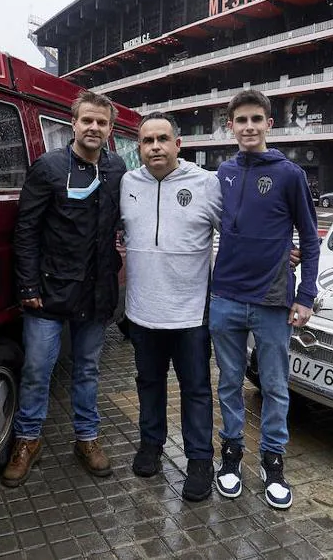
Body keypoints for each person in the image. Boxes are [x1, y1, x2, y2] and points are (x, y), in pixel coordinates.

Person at [1, 90, 127, 487]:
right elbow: (26, 230)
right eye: (87, 120)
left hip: (96, 291)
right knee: (38, 370)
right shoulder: (49, 167)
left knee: (88, 369)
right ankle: (28, 441)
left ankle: (86, 439)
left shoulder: (118, 169)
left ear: (109, 129)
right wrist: (27, 284)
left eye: (101, 122)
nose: (94, 127)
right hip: (48, 293)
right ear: (73, 124)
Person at [209, 89, 320, 510]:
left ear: (269, 124)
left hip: (273, 300)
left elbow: (310, 241)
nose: (249, 127)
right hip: (226, 297)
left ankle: (273, 462)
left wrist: (306, 295)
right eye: (241, 120)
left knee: (275, 386)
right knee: (229, 384)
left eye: (257, 119)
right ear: (230, 126)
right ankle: (232, 457)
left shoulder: (290, 174)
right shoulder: (223, 173)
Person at [120, 112, 221, 501]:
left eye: (163, 139)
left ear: (179, 144)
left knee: (195, 389)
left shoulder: (205, 183)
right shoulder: (128, 182)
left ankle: (199, 461)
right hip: (143, 310)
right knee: (148, 384)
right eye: (148, 141)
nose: (156, 147)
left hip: (191, 313)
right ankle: (151, 446)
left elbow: (234, 231)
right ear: (139, 147)